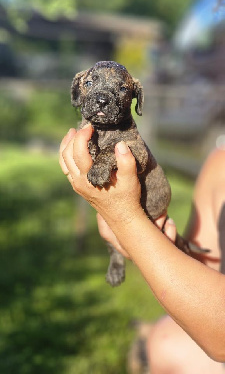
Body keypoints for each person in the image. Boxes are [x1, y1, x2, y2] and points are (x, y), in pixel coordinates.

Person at [59, 125, 225, 370]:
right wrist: (151, 245)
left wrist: (125, 219)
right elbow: (204, 271)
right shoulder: (219, 164)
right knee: (164, 342)